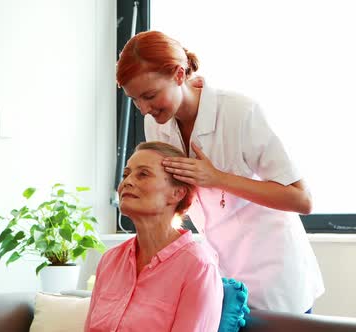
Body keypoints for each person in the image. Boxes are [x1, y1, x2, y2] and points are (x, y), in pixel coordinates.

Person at [116, 30, 324, 314]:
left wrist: (218, 179)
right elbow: (174, 194)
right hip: (220, 271)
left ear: (179, 75)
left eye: (150, 96)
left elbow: (302, 199)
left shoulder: (239, 112)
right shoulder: (158, 123)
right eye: (135, 100)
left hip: (274, 273)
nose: (144, 109)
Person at [84, 141, 223, 332]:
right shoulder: (110, 261)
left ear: (177, 193)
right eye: (125, 174)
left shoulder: (199, 267)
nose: (127, 182)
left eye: (143, 174)